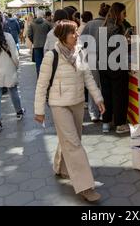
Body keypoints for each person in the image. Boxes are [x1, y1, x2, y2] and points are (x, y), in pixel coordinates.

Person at [34, 20, 105, 202]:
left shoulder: (80, 51)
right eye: (72, 32)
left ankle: (61, 167)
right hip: (59, 104)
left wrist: (98, 98)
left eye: (76, 32)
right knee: (73, 144)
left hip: (77, 102)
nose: (76, 35)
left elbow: (88, 76)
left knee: (72, 139)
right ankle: (85, 186)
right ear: (62, 36)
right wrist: (39, 110)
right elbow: (41, 85)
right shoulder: (52, 56)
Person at [100, 2, 130, 134]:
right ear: (119, 14)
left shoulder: (104, 26)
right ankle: (119, 124)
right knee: (119, 96)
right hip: (116, 67)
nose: (125, 16)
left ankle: (106, 122)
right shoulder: (117, 28)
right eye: (124, 13)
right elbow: (117, 49)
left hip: (103, 66)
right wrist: (126, 41)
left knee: (106, 95)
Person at [81, 3, 110, 123]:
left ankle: (93, 113)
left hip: (91, 58)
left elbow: (82, 41)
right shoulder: (109, 24)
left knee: (93, 86)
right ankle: (104, 113)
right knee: (103, 87)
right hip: (106, 59)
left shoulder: (89, 24)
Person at [27, 9, 52, 77]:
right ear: (43, 15)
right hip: (46, 45)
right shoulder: (47, 23)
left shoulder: (32, 24)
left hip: (36, 45)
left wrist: (34, 40)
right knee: (47, 62)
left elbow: (29, 34)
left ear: (37, 15)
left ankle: (39, 76)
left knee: (38, 63)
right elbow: (51, 33)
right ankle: (47, 77)